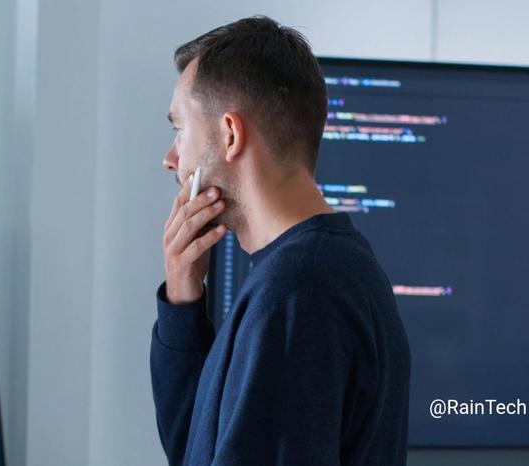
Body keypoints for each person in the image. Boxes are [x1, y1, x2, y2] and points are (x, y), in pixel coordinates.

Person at [151, 15, 411, 466]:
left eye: (180, 129)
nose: (171, 159)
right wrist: (182, 300)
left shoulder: (298, 293)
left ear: (230, 135)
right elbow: (197, 448)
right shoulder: (315, 271)